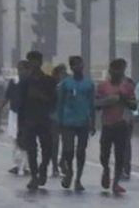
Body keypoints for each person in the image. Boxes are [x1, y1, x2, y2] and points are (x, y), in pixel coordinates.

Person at [17, 51, 57, 191]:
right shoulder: (24, 82)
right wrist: (20, 127)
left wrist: (41, 96)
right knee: (31, 150)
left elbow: (54, 101)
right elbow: (20, 104)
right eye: (31, 61)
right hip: (29, 120)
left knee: (47, 148)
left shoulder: (49, 81)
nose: (33, 64)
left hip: (45, 119)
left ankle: (43, 167)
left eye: (36, 61)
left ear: (40, 62)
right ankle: (34, 175)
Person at [96, 58, 136, 194]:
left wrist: (124, 98)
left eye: (122, 69)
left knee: (120, 155)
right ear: (111, 70)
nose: (119, 72)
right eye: (116, 69)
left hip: (122, 125)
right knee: (104, 153)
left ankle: (116, 182)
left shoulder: (128, 86)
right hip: (107, 124)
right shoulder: (103, 86)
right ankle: (106, 169)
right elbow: (96, 104)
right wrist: (107, 101)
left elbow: (134, 105)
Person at [57, 56, 96, 191]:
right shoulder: (66, 84)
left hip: (83, 121)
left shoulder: (89, 84)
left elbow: (92, 104)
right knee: (68, 150)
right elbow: (60, 103)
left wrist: (93, 122)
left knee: (81, 151)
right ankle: (69, 171)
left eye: (80, 64)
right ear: (72, 67)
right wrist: (59, 121)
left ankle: (78, 178)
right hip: (68, 122)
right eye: (75, 65)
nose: (79, 67)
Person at [3, 61, 30, 176]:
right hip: (14, 113)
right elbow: (7, 97)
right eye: (19, 69)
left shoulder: (30, 83)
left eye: (22, 69)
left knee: (26, 140)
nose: (20, 71)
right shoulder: (13, 82)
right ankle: (18, 164)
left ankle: (25, 165)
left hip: (27, 114)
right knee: (15, 139)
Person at [50, 64, 69, 178]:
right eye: (62, 72)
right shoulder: (52, 85)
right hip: (54, 117)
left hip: (66, 117)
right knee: (55, 143)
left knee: (67, 142)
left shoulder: (67, 85)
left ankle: (62, 161)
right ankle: (54, 166)